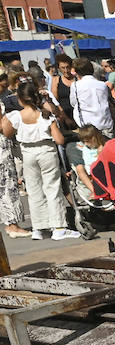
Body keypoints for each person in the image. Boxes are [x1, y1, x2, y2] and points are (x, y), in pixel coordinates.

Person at [2, 81, 79, 240]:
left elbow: (8, 133)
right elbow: (59, 140)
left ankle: (39, 227)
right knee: (52, 188)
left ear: (20, 99)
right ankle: (58, 227)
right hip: (46, 151)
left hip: (28, 152)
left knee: (34, 190)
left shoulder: (16, 115)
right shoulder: (45, 115)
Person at [0, 72, 24, 237]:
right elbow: (3, 127)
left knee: (5, 185)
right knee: (8, 183)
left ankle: (11, 223)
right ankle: (12, 224)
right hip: (2, 146)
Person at [69, 57, 115, 138]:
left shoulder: (75, 85)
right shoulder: (102, 85)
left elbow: (73, 103)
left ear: (77, 72)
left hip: (88, 128)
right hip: (105, 125)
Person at [48, 54, 74, 123]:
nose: (66, 70)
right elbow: (55, 101)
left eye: (68, 67)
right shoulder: (56, 81)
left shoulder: (78, 79)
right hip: (65, 116)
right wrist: (65, 118)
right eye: (63, 68)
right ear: (59, 68)